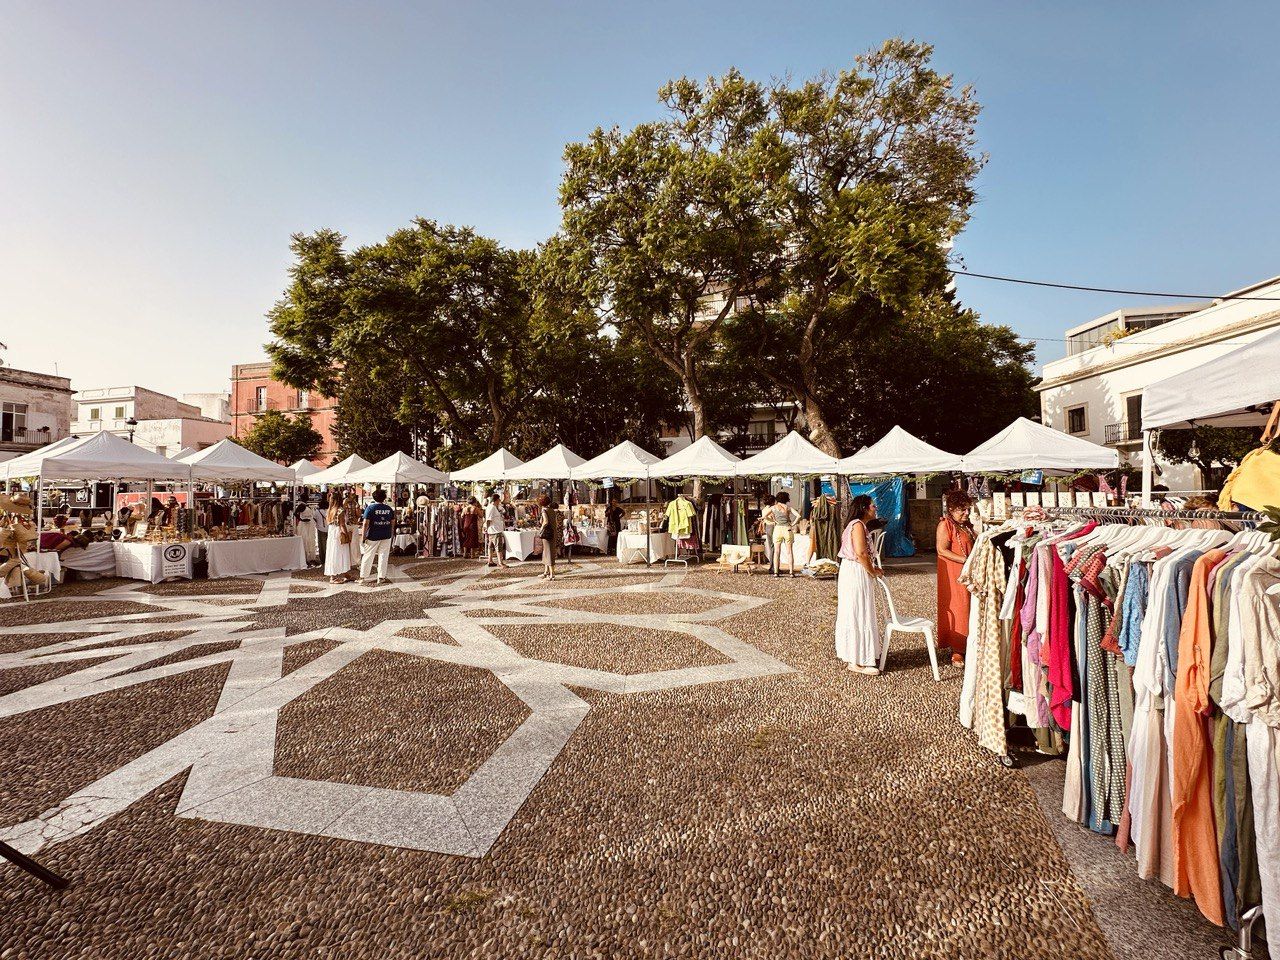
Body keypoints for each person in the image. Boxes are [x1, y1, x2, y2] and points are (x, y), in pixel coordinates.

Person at [836, 495, 884, 675]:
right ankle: (856, 659)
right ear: (864, 507)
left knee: (858, 610)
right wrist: (872, 571)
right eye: (873, 505)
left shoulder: (857, 525)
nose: (875, 508)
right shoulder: (857, 525)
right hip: (855, 571)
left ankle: (860, 655)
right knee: (857, 610)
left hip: (855, 571)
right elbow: (861, 553)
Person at [936, 490, 975, 666]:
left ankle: (970, 644)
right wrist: (965, 559)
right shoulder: (946, 525)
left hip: (966, 571)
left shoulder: (966, 525)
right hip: (954, 572)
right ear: (951, 509)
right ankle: (957, 649)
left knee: (970, 607)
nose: (966, 513)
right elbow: (941, 549)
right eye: (962, 510)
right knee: (960, 608)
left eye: (968, 509)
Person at [358, 488, 395, 585]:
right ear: (384, 498)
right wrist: (390, 534)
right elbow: (392, 522)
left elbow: (365, 523)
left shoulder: (370, 508)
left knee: (368, 556)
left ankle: (363, 577)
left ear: (374, 497)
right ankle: (381, 577)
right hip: (386, 535)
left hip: (373, 535)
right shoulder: (389, 509)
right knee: (383, 556)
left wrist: (363, 536)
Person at [768, 491, 801, 577]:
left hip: (778, 529)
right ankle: (791, 572)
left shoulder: (773, 508)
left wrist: (774, 520)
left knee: (776, 552)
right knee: (789, 552)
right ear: (786, 499)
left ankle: (776, 572)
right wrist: (793, 524)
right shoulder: (788, 507)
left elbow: (764, 516)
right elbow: (798, 516)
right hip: (787, 529)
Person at [324, 494, 352, 584]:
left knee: (333, 552)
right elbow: (342, 525)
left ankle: (344, 574)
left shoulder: (329, 510)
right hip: (338, 532)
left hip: (332, 532)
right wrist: (347, 535)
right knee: (342, 553)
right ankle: (334, 577)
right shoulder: (340, 510)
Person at [536, 494, 560, 581]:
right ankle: (546, 572)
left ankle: (552, 575)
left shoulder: (544, 510)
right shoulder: (552, 510)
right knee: (547, 552)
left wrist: (541, 529)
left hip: (547, 534)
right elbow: (555, 522)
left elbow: (545, 521)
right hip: (553, 533)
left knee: (548, 552)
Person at [484, 493, 509, 568]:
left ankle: (490, 560)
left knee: (491, 546)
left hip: (493, 529)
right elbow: (488, 519)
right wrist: (486, 528)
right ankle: (500, 563)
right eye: (499, 500)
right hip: (495, 530)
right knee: (498, 547)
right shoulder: (492, 507)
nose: (499, 502)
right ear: (496, 500)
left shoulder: (491, 507)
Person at [294, 493, 319, 564]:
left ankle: (311, 557)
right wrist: (301, 520)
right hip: (304, 525)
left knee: (311, 540)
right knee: (305, 540)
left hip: (309, 524)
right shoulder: (301, 505)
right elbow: (295, 513)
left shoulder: (306, 505)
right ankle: (306, 557)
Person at [757, 493, 777, 566]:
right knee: (774, 547)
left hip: (768, 527)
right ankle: (773, 566)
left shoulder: (764, 509)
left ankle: (773, 566)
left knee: (771, 546)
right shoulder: (772, 509)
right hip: (773, 527)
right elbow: (774, 519)